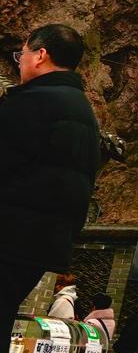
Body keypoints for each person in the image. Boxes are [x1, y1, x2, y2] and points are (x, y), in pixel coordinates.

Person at [0, 24, 102, 324]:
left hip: (9, 233)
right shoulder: (83, 110)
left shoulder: (33, 102)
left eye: (23, 54)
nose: (21, 61)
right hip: (44, 242)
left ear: (40, 55)